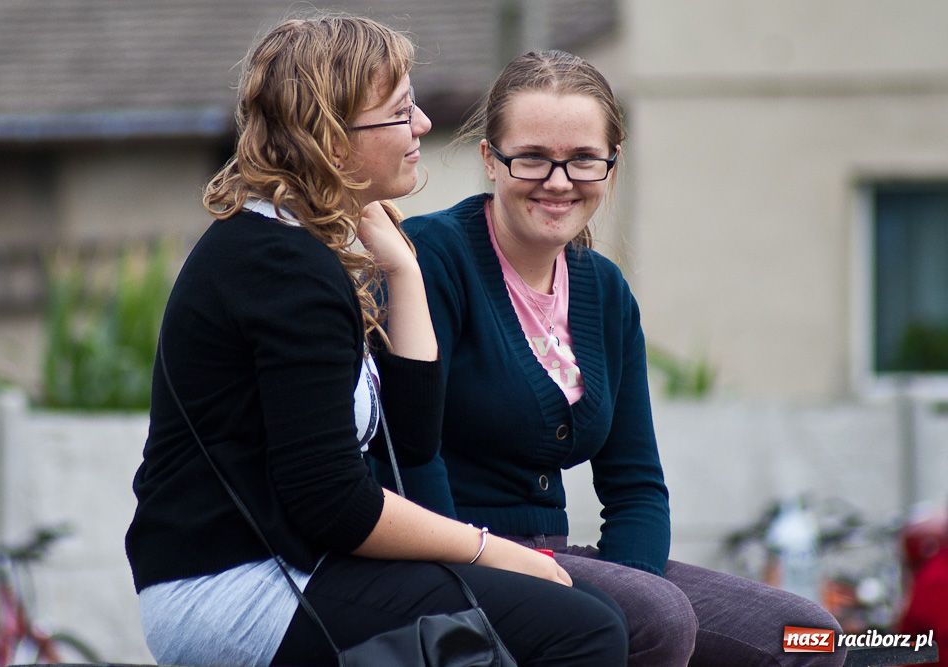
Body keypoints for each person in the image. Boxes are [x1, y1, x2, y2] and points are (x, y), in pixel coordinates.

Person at [124, 17, 629, 667]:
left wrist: (403, 268)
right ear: (333, 141)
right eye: (400, 112)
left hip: (293, 570)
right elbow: (335, 503)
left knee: (591, 618)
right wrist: (492, 548)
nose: (422, 124)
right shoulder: (279, 269)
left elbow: (411, 440)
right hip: (239, 590)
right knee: (583, 632)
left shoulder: (300, 251)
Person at [373, 49, 847, 666]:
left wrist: (627, 584)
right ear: (490, 159)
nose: (559, 181)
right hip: (463, 557)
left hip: (563, 563)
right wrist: (619, 602)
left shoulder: (605, 291)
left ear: (611, 164)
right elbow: (411, 452)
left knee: (806, 636)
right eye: (533, 157)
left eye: (583, 160)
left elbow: (637, 486)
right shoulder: (433, 261)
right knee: (656, 616)